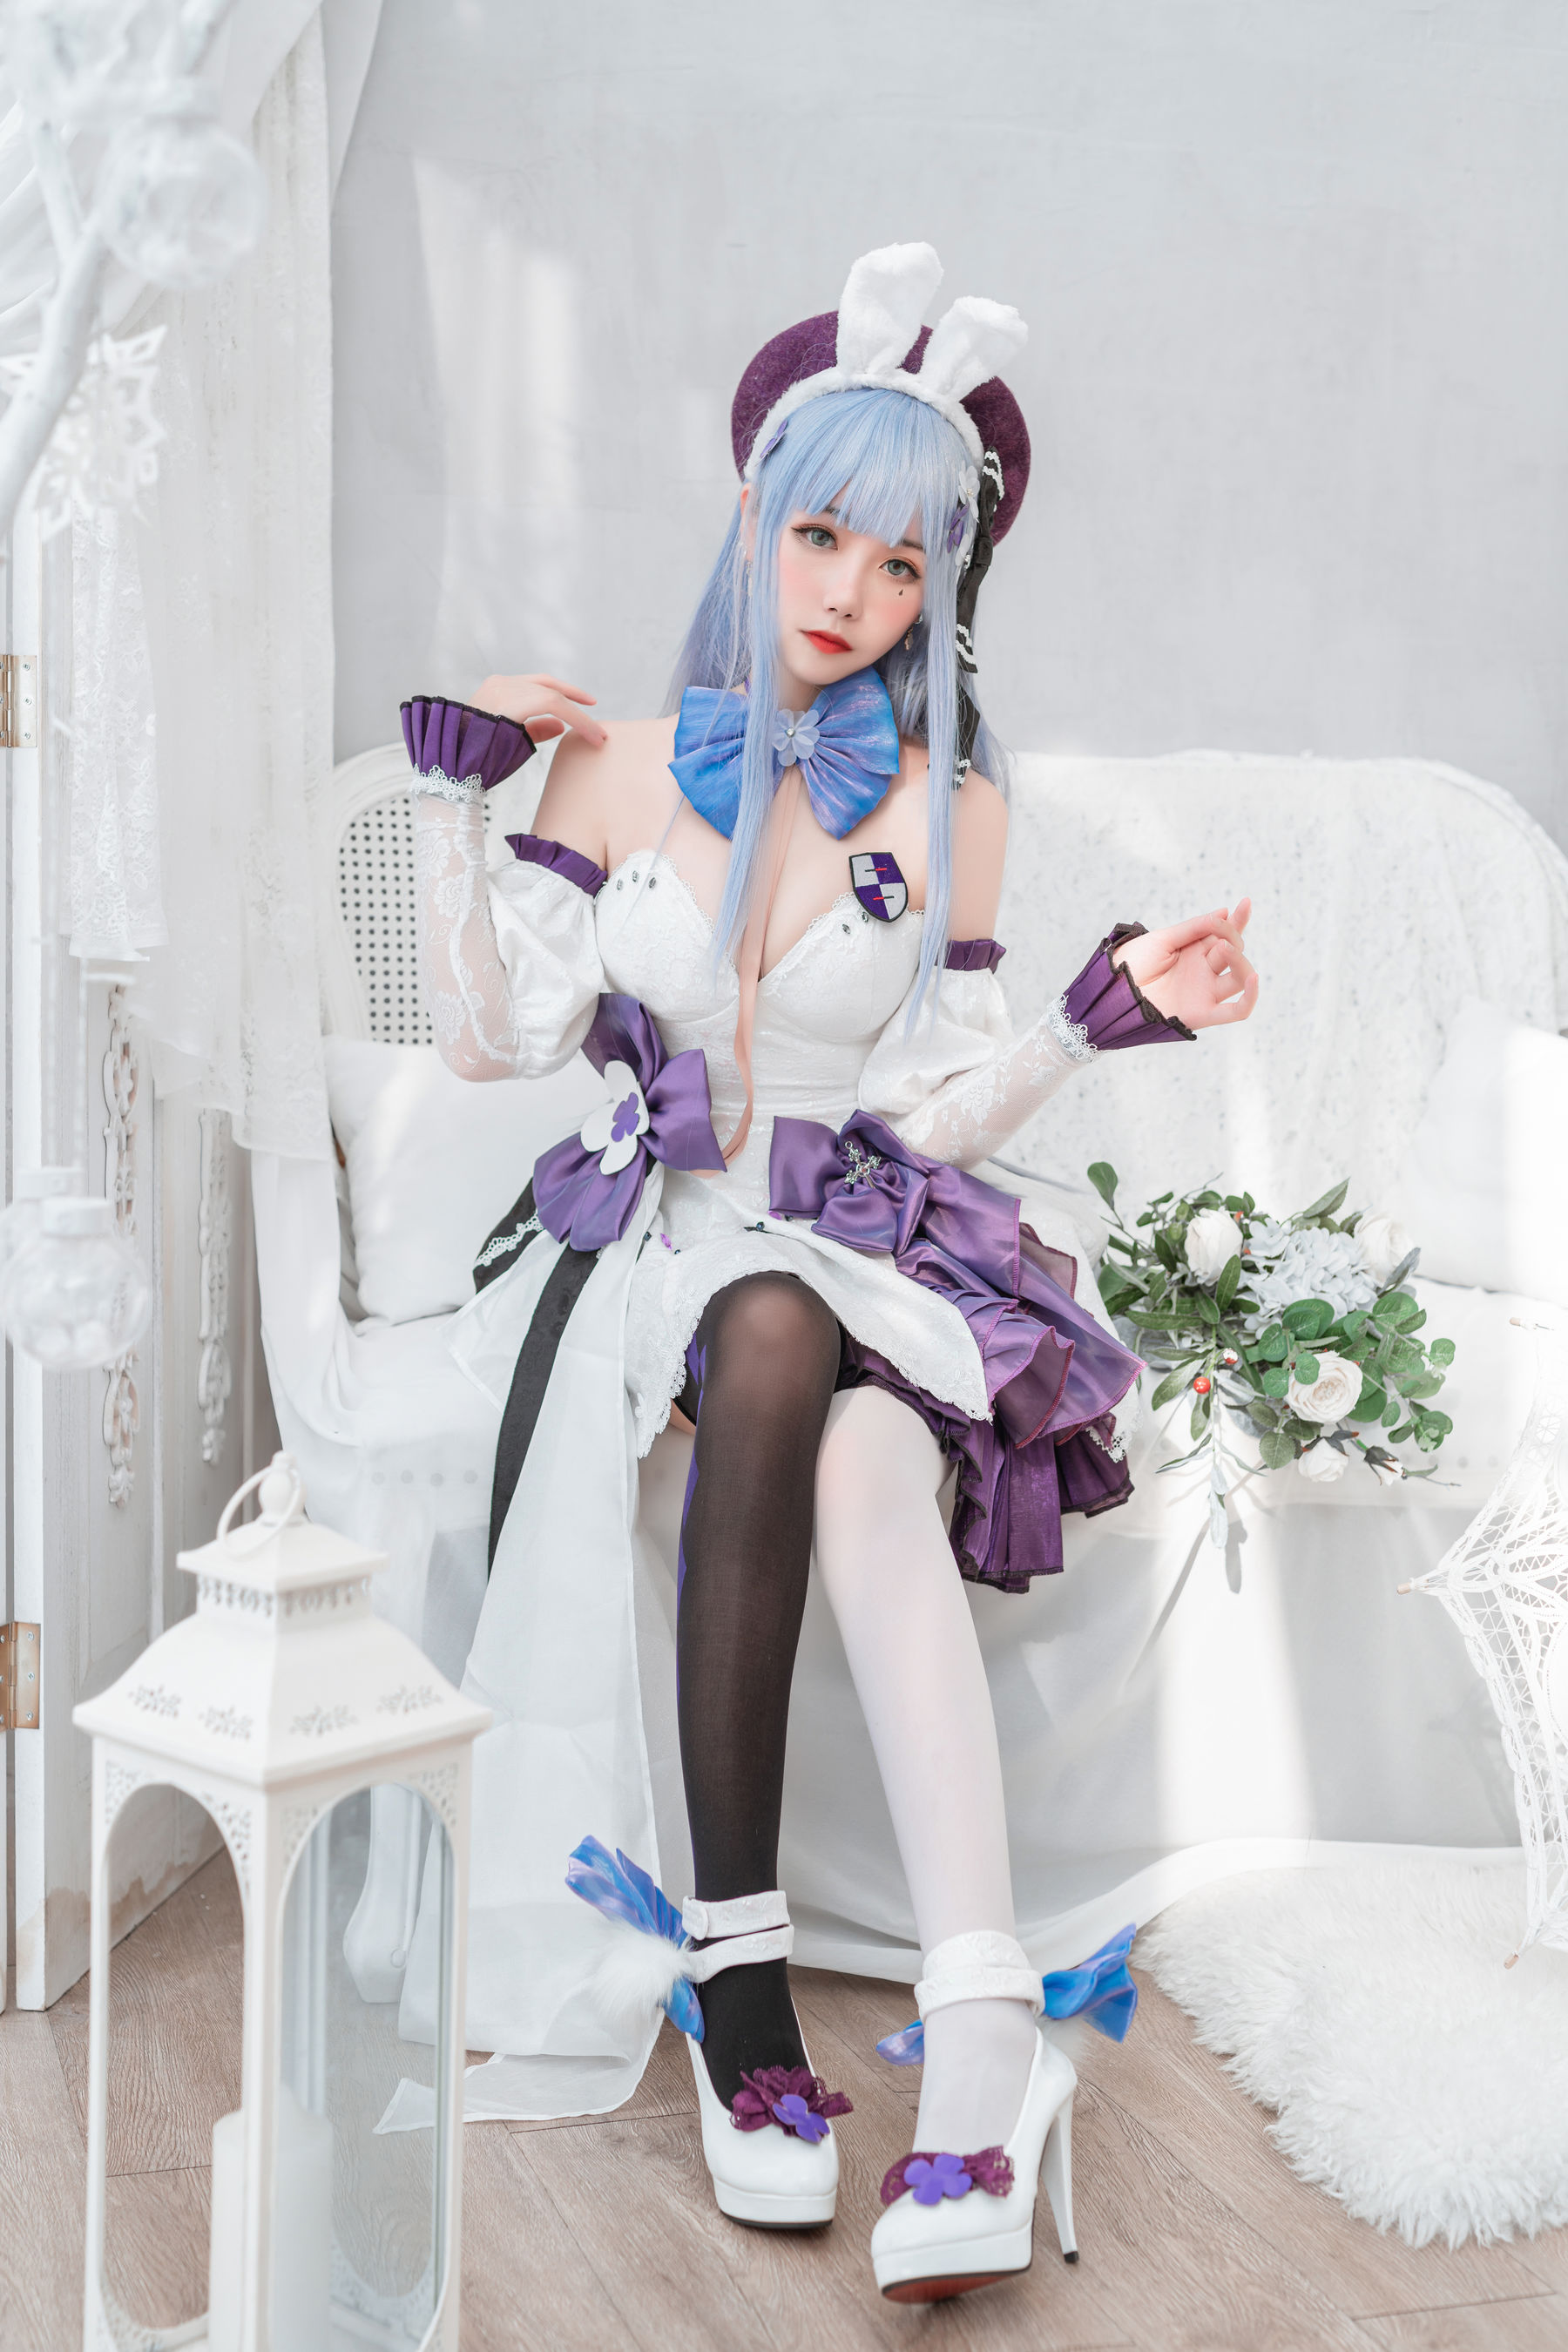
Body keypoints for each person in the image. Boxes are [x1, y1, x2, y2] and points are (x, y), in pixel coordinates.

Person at [404, 242, 1257, 2301]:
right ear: (754, 512)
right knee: (767, 1325)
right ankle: (754, 1984)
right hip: (650, 1249)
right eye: (819, 537)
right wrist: (459, 811)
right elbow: (490, 1046)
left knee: (865, 1447)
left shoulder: (951, 802)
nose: (850, 592)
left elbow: (928, 1112)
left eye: (901, 564)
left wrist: (1093, 1022)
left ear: (939, 589)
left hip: (844, 1237)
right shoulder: (615, 761)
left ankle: (977, 2036)